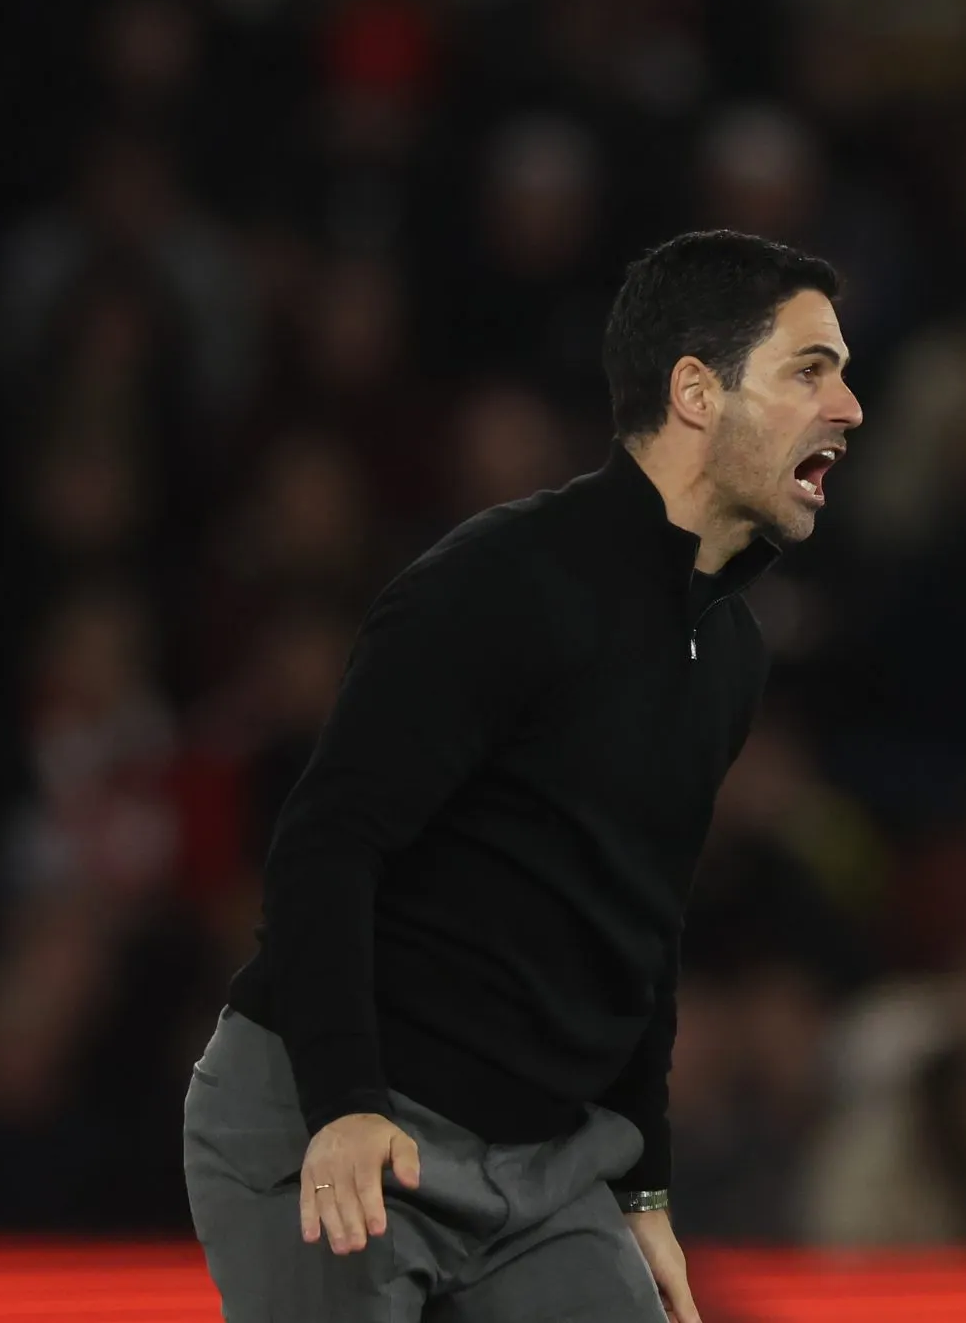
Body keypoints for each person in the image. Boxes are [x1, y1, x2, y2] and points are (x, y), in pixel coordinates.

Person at [182, 230, 862, 1323]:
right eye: (809, 370)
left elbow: (639, 929)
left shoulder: (728, 653)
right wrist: (344, 1103)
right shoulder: (496, 584)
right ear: (695, 391)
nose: (849, 408)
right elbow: (327, 842)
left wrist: (640, 1184)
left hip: (542, 1169)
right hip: (344, 1117)